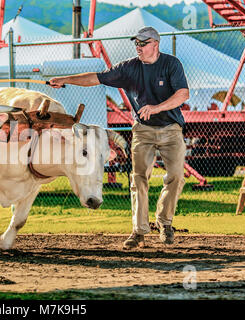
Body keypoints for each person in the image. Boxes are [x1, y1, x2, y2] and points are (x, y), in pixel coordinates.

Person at [48, 26, 189, 249]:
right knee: (139, 178)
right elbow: (97, 78)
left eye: (143, 43)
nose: (139, 47)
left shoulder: (171, 64)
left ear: (155, 44)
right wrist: (65, 79)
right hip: (142, 129)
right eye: (137, 43)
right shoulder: (129, 67)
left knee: (176, 176)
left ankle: (164, 222)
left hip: (171, 129)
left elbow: (182, 94)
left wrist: (156, 107)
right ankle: (139, 231)